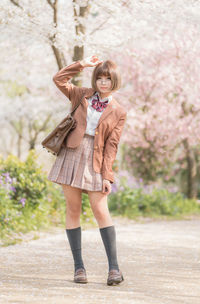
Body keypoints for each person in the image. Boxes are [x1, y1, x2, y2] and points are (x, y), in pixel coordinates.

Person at [48, 55, 127, 286]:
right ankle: (79, 268)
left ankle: (114, 268)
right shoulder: (81, 94)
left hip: (96, 159)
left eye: (108, 79)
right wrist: (82, 64)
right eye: (100, 78)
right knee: (73, 209)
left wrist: (107, 176)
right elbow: (59, 79)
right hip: (72, 153)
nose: (103, 83)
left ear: (115, 81)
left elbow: (112, 145)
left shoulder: (119, 111)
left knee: (100, 209)